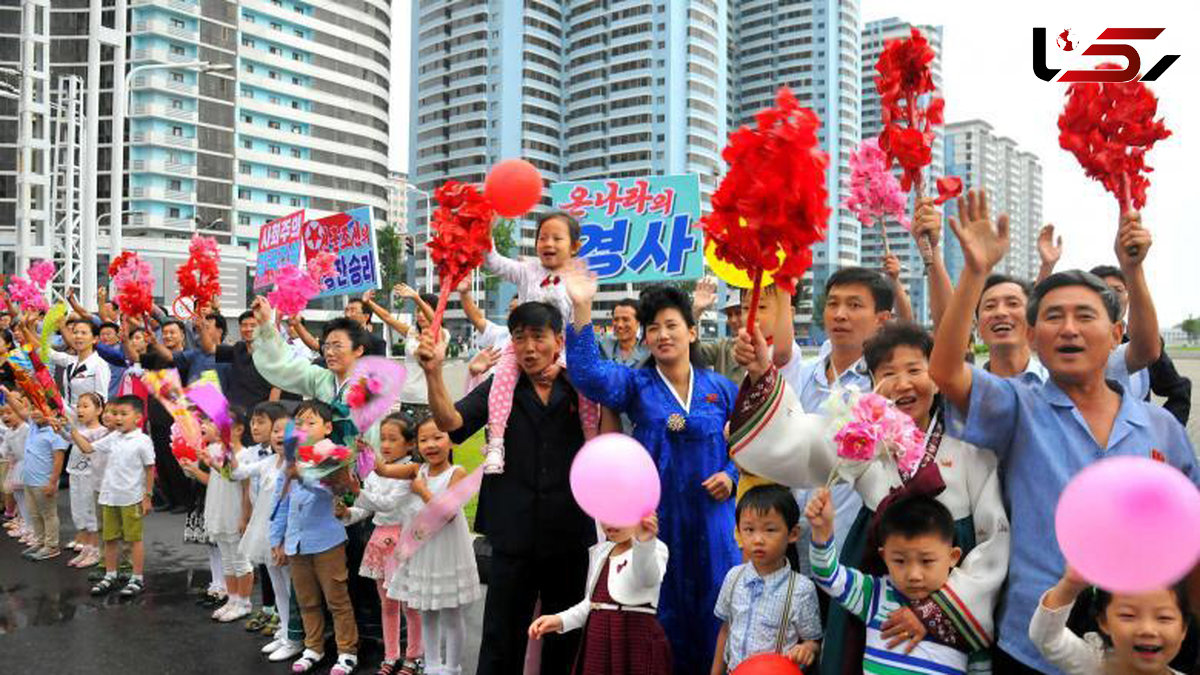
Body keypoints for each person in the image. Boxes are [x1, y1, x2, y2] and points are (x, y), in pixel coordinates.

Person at [928, 189, 1199, 673]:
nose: (1069, 329)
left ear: (1117, 334)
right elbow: (947, 373)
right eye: (1053, 317)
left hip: (1137, 644)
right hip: (1031, 640)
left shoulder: (1160, 426)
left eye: (1085, 316)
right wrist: (974, 272)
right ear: (1033, 338)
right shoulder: (1018, 407)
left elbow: (1190, 533)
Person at [563, 268, 740, 675]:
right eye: (654, 328)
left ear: (692, 332)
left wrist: (731, 474)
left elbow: (747, 444)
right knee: (661, 613)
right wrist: (582, 306)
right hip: (654, 522)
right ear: (644, 339)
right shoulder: (636, 384)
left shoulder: (721, 388)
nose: (663, 335)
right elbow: (588, 374)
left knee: (717, 609)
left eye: (672, 325)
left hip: (713, 520)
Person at [418, 301, 594, 675]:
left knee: (565, 637)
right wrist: (433, 374)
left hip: (568, 529)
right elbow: (452, 422)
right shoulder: (501, 386)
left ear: (558, 340)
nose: (529, 347)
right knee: (501, 638)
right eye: (520, 338)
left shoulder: (582, 386)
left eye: (538, 337)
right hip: (512, 532)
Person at [478, 210, 599, 473]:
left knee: (587, 393)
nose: (548, 244)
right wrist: (486, 231)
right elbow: (494, 262)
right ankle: (496, 444)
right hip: (522, 346)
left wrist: (562, 364)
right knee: (502, 381)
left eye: (557, 238)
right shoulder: (527, 270)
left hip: (565, 346)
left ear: (575, 246)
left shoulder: (579, 278)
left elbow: (578, 326)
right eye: (542, 238)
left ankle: (592, 446)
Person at [808, 491, 973, 673]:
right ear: (884, 556)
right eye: (900, 561)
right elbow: (828, 577)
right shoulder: (874, 594)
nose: (914, 575)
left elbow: (980, 666)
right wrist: (821, 533)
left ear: (953, 556)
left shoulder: (963, 608)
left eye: (926, 561)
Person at [385, 415, 481, 675]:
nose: (431, 444)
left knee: (450, 613)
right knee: (426, 611)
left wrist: (422, 491)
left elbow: (447, 513)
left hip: (447, 550)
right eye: (423, 439)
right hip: (423, 551)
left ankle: (452, 667)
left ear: (452, 441)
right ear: (415, 445)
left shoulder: (456, 473)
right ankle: (432, 665)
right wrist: (364, 453)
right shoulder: (418, 470)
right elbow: (384, 470)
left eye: (438, 437)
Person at [269, 400, 359, 675]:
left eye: (312, 422)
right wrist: (276, 539)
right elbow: (280, 500)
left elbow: (333, 489)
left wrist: (304, 475)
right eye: (300, 423)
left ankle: (347, 651)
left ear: (328, 427)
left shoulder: (333, 455)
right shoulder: (293, 457)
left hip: (326, 540)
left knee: (337, 598)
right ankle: (313, 647)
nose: (304, 428)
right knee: (306, 599)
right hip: (296, 542)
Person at [529, 514, 672, 675]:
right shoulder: (601, 552)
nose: (610, 522)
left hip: (633, 641)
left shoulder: (653, 548)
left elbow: (647, 578)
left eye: (619, 514)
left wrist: (645, 544)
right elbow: (592, 604)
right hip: (598, 642)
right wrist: (560, 620)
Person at [340, 413, 424, 675]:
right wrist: (345, 514)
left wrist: (358, 492)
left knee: (410, 605)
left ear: (409, 444)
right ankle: (390, 655)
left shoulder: (411, 471)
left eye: (393, 439)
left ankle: (414, 656)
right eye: (383, 439)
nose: (385, 445)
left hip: (404, 541)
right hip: (380, 541)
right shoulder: (376, 473)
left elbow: (386, 504)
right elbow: (367, 511)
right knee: (387, 604)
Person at [713, 486, 823, 673]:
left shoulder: (801, 589)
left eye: (770, 530)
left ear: (793, 534)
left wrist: (806, 649)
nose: (758, 539)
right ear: (738, 532)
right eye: (749, 529)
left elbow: (813, 640)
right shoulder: (733, 577)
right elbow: (726, 630)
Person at [1030, 568, 1191, 675]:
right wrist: (1070, 585)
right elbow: (1047, 638)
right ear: (1104, 622)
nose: (1147, 629)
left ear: (1184, 628)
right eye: (1128, 615)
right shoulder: (1095, 665)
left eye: (1164, 618)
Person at [73, 394, 155, 597]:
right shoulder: (113, 437)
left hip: (131, 498)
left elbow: (149, 468)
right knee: (109, 538)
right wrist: (71, 430)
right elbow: (87, 448)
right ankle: (110, 574)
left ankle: (137, 577)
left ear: (138, 417)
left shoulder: (142, 440)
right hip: (109, 497)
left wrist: (147, 496)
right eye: (116, 413)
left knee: (134, 539)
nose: (118, 417)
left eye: (124, 414)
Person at [1088, 264, 1191, 425]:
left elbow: (1178, 390)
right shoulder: (1075, 341)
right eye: (1101, 289)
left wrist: (1163, 435)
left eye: (1118, 290)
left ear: (1129, 298)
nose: (1111, 296)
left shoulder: (1144, 343)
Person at [243, 413, 304, 663]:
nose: (280, 435)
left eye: (286, 430)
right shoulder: (268, 463)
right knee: (277, 583)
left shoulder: (297, 466)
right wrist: (216, 457)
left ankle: (295, 637)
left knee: (291, 587)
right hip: (265, 531)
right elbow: (237, 472)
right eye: (276, 430)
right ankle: (284, 630)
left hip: (286, 534)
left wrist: (282, 540)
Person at [15, 392, 70, 561]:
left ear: (53, 413)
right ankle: (40, 542)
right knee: (34, 514)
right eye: (32, 408)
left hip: (44, 482)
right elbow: (17, 409)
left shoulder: (56, 433)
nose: (35, 412)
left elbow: (58, 460)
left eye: (40, 408)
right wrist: (5, 392)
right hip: (29, 480)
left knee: (48, 514)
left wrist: (53, 482)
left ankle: (51, 545)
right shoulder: (33, 425)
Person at [63, 392, 108, 568]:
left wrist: (72, 431)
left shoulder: (102, 432)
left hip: (91, 477)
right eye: (79, 406)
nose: (80, 410)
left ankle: (96, 550)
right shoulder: (79, 428)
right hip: (76, 474)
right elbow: (69, 439)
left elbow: (89, 448)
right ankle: (87, 548)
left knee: (91, 514)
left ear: (99, 410)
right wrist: (60, 429)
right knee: (79, 511)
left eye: (85, 406)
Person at [214, 311, 281, 425]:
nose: (248, 329)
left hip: (256, 416)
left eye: (253, 325)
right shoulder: (237, 348)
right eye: (244, 325)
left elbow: (276, 387)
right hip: (231, 414)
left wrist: (269, 415)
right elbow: (210, 349)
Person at [599, 298, 650, 366]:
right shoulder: (603, 345)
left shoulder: (648, 352)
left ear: (638, 322)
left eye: (625, 320)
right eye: (616, 319)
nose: (620, 325)